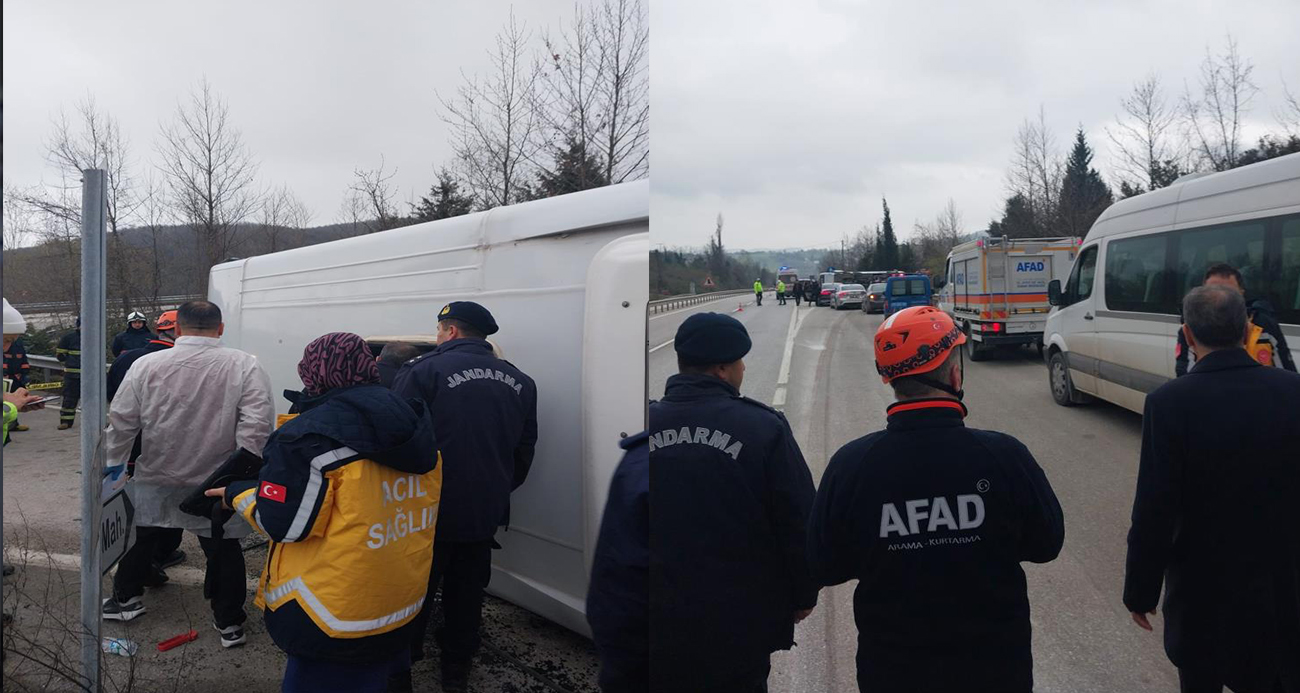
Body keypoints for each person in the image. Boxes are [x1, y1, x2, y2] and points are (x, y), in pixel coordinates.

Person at [807, 306, 1064, 692]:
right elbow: (1046, 544)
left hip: (892, 673)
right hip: (995, 671)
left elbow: (824, 565)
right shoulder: (1004, 455)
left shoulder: (851, 465)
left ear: (890, 378)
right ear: (954, 374)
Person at [207, 332, 441, 693]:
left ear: (314, 372)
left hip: (329, 611)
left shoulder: (306, 437)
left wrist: (238, 493)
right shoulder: (412, 421)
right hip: (399, 600)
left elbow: (283, 524)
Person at [1125, 285, 1300, 693]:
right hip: (1282, 593)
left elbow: (1155, 508)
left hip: (1203, 599)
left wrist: (1140, 592)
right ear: (1246, 330)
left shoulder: (1169, 403)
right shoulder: (1292, 391)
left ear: (1187, 334)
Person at [650, 312, 818, 692]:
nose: (744, 369)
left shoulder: (643, 425)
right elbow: (797, 519)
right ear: (723, 369)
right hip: (738, 624)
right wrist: (803, 593)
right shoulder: (763, 427)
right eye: (740, 361)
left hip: (657, 620)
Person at [101, 301, 275, 649]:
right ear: (220, 329)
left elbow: (121, 422)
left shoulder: (145, 365)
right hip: (217, 482)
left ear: (177, 329)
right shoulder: (245, 365)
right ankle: (229, 622)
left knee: (143, 536)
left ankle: (125, 599)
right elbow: (257, 427)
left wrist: (114, 468)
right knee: (223, 548)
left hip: (157, 474)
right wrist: (239, 476)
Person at [390, 301, 538, 692]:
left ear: (450, 331)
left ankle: (401, 669)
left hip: (426, 511)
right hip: (484, 509)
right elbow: (524, 449)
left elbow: (398, 439)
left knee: (414, 592)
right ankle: (456, 669)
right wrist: (495, 488)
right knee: (467, 593)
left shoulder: (422, 371)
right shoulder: (521, 381)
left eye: (439, 330)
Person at [106, 310, 186, 582]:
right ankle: (158, 557)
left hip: (130, 445)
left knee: (136, 507)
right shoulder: (180, 362)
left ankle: (139, 564)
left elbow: (112, 398)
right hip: (165, 446)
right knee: (170, 504)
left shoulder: (126, 358)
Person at [586, 431, 649, 692]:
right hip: (729, 654)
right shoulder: (760, 437)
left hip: (640, 657)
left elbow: (614, 569)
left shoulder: (639, 458)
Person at [1175, 263, 1295, 376]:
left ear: (1242, 293)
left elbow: (1287, 371)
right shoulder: (1192, 328)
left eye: (1230, 292)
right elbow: (1184, 374)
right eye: (1212, 292)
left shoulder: (1263, 325)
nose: (1221, 298)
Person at [3, 301, 32, 432]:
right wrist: (11, 406)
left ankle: (13, 424)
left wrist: (15, 405)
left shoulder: (18, 346)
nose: (6, 347)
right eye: (6, 340)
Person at [55, 318, 82, 430]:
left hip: (91, 377)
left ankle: (94, 422)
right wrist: (70, 364)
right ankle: (66, 421)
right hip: (72, 376)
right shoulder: (69, 338)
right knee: (69, 399)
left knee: (93, 400)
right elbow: (60, 355)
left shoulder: (95, 337)